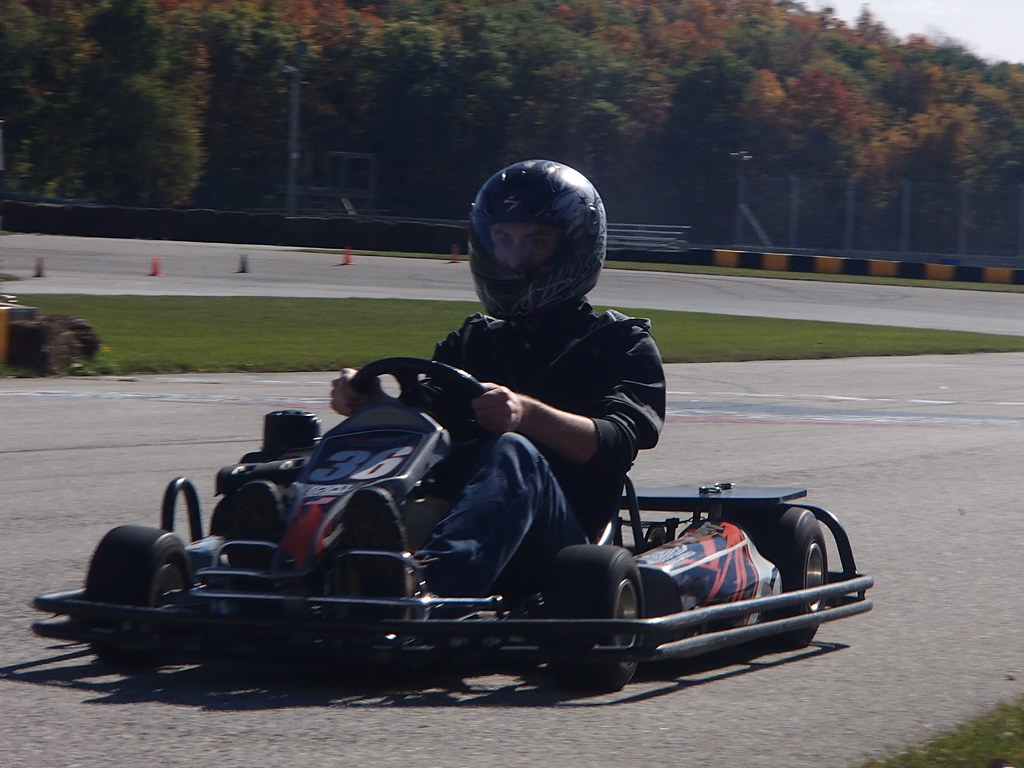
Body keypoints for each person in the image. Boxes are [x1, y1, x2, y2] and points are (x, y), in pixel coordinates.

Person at [330, 159, 666, 599]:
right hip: (457, 516)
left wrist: (525, 415)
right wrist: (371, 402)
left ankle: (429, 587)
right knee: (319, 439)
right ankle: (286, 555)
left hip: (559, 543)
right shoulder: (473, 342)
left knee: (513, 451)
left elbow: (615, 442)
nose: (514, 257)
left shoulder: (619, 344)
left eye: (535, 242)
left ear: (573, 246)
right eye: (503, 240)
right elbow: (424, 425)